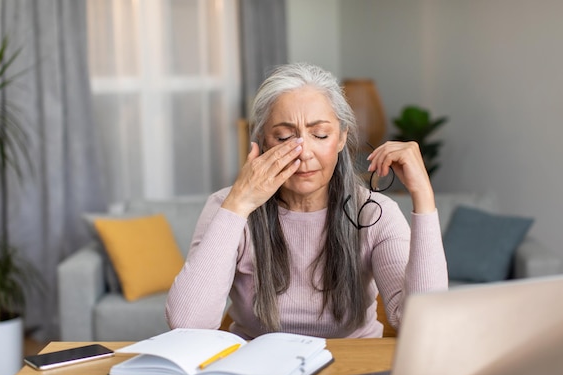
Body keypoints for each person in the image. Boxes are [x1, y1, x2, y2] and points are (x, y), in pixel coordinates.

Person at [165, 63, 447, 339]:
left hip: (350, 369)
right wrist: (238, 204)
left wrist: (423, 196)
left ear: (341, 138)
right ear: (263, 141)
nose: (304, 152)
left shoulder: (374, 213)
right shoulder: (225, 206)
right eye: (284, 136)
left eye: (320, 135)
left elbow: (424, 324)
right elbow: (188, 324)